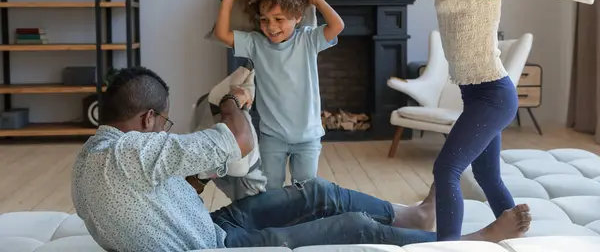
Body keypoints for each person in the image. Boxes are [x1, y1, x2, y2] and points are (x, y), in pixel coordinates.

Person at [72, 67, 532, 252]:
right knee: (353, 228)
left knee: (316, 191)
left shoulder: (95, 156)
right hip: (217, 248)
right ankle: (466, 241)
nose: (168, 129)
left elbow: (158, 200)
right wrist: (229, 99)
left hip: (211, 226)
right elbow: (240, 139)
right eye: (167, 122)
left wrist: (195, 178)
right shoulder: (132, 151)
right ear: (149, 118)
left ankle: (415, 214)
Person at [403, 0, 527, 241]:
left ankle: (448, 247)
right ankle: (513, 235)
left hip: (495, 94)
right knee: (487, 176)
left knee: (446, 169)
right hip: (475, 96)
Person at [214, 0, 344, 190]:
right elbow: (222, 35)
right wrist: (228, 0)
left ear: (298, 16)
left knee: (306, 191)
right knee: (270, 191)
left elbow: (337, 26)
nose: (271, 26)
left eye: (279, 19)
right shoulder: (255, 43)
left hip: (308, 137)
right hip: (272, 136)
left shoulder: (308, 39)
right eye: (264, 20)